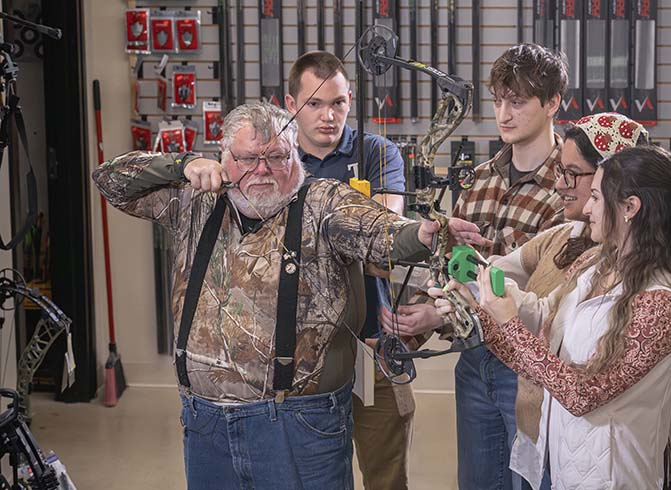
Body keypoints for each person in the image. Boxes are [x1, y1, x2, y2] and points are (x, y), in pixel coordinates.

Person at [92, 101, 484, 490]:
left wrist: (424, 235)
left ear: (295, 154)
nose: (262, 170)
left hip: (298, 426)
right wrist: (182, 165)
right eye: (247, 158)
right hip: (205, 423)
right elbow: (109, 180)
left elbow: (385, 234)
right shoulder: (195, 200)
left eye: (277, 157)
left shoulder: (324, 202)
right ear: (223, 158)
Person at [434, 145, 671, 489]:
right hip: (567, 472)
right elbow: (543, 363)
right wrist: (477, 311)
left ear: (630, 208)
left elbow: (582, 395)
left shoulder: (660, 304)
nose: (587, 208)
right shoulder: (594, 265)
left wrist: (507, 319)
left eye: (597, 198)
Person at [380, 43, 568, 490]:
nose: (504, 112)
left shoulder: (571, 187)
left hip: (529, 368)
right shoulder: (478, 180)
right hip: (474, 360)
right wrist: (414, 324)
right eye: (498, 99)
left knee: (535, 481)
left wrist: (441, 311)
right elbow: (449, 269)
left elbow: (541, 295)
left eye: (518, 101)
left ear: (553, 103)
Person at [488, 112, 648, 486]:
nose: (560, 184)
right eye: (560, 170)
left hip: (586, 453)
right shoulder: (568, 238)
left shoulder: (628, 275)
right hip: (541, 436)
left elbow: (577, 386)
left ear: (618, 188)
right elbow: (509, 270)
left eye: (574, 175)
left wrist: (499, 302)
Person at [284, 51, 412, 490]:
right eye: (314, 104)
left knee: (384, 473)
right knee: (309, 475)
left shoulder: (376, 152)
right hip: (298, 350)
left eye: (337, 103)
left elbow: (383, 240)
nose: (327, 115)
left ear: (350, 100)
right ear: (290, 105)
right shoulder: (274, 163)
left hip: (369, 345)